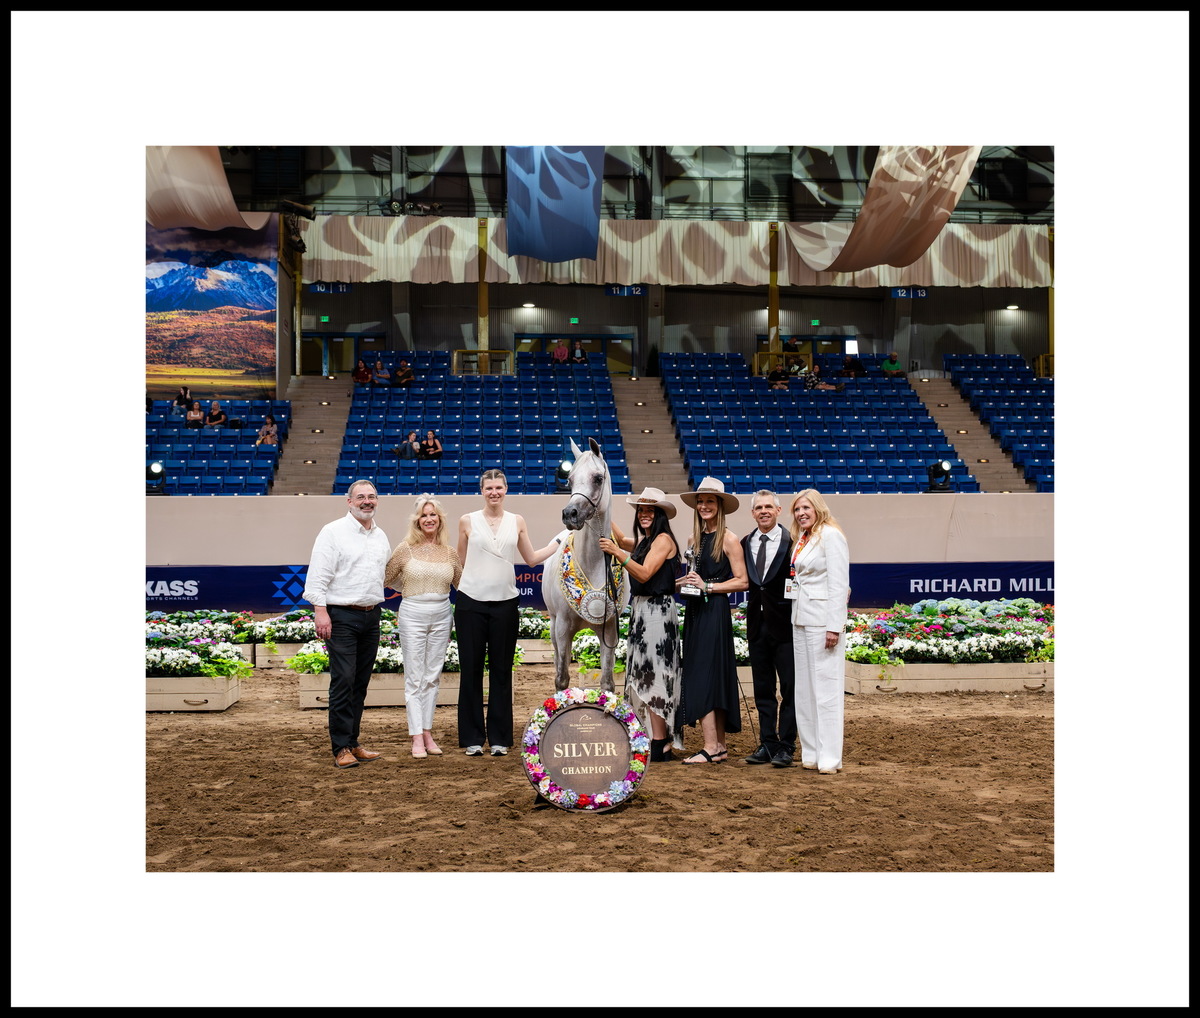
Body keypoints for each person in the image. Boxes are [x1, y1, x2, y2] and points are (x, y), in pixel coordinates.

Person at [455, 469, 559, 757]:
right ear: (481, 490)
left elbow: (531, 558)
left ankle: (500, 738)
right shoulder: (467, 521)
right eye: (488, 488)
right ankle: (473, 738)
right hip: (470, 604)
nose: (494, 492)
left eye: (498, 487)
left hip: (505, 604)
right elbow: (459, 563)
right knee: (471, 671)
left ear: (506, 489)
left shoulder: (517, 521)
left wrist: (560, 542)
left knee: (501, 672)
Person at [302, 479, 391, 769]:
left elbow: (386, 576)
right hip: (341, 616)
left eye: (372, 497)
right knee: (343, 680)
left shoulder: (381, 536)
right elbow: (318, 575)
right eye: (361, 497)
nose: (367, 501)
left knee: (360, 683)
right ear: (349, 501)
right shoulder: (333, 532)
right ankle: (340, 747)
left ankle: (353, 742)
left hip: (371, 615)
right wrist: (320, 610)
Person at [597, 487, 682, 762]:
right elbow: (621, 538)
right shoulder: (646, 541)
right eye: (641, 510)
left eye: (650, 511)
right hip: (644, 610)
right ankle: (656, 736)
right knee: (644, 673)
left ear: (659, 515)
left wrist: (617, 553)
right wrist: (601, 507)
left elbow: (644, 574)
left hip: (657, 610)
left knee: (655, 674)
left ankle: (661, 741)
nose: (645, 514)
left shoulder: (663, 540)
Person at [676, 477, 748, 764]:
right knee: (708, 674)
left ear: (720, 506)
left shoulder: (729, 539)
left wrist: (709, 587)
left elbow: (743, 582)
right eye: (701, 501)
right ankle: (718, 746)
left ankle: (710, 746)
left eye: (710, 501)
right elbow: (693, 579)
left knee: (705, 675)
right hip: (695, 611)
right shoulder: (694, 539)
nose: (704, 506)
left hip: (715, 611)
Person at [384, 495, 462, 759]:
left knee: (432, 677)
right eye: (424, 515)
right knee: (415, 677)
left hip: (442, 614)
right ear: (417, 520)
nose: (429, 519)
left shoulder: (450, 553)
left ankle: (427, 731)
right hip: (413, 614)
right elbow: (386, 578)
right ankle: (416, 735)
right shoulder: (404, 549)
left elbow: (462, 585)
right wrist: (407, 587)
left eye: (433, 515)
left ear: (440, 520)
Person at [789, 488, 851, 774]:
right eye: (797, 509)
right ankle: (811, 751)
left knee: (826, 690)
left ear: (817, 508)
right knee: (805, 691)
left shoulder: (831, 535)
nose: (801, 513)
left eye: (806, 508)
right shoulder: (802, 538)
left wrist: (834, 626)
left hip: (823, 622)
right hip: (800, 619)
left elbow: (840, 584)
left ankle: (830, 756)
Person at [740, 490, 797, 768]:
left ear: (778, 510)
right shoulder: (744, 543)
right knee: (763, 689)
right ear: (752, 513)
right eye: (758, 507)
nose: (763, 511)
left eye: (768, 507)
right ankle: (767, 743)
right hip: (756, 628)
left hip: (786, 628)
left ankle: (787, 745)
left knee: (790, 689)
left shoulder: (793, 542)